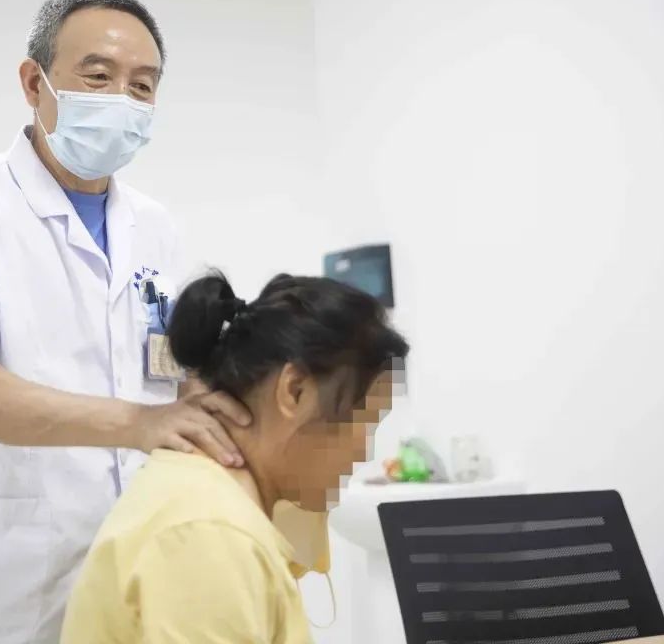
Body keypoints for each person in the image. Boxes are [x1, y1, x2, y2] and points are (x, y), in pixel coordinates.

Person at [0, 0, 251, 644]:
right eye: (98, 77)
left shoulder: (154, 226)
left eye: (142, 86)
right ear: (35, 82)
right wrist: (140, 424)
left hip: (130, 569)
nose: (122, 100)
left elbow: (163, 369)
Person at [60, 272, 410, 643]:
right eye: (365, 423)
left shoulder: (206, 496)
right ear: (295, 391)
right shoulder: (210, 533)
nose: (364, 452)